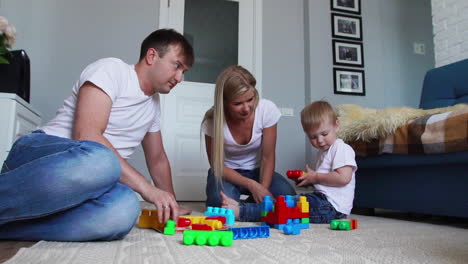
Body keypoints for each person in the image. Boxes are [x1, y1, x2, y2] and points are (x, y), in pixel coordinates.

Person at [0, 29, 194, 241]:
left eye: (184, 71)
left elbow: (157, 160)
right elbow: (88, 135)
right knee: (104, 160)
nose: (180, 78)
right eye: (177, 66)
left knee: (125, 208)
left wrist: (170, 203)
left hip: (88, 181)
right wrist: (148, 189)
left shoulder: (153, 106)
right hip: (38, 157)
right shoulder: (112, 70)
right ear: (151, 56)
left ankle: (7, 230)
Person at [222, 100, 357, 223]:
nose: (320, 140)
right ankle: (242, 207)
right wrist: (309, 180)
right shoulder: (324, 152)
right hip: (323, 201)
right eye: (313, 137)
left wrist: (315, 177)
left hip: (332, 208)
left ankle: (241, 211)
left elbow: (343, 178)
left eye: (324, 134)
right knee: (286, 203)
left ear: (337, 126)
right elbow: (327, 182)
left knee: (284, 208)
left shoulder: (342, 148)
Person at [201, 65, 296, 212]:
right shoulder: (212, 121)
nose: (246, 108)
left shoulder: (267, 110)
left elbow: (268, 157)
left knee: (287, 197)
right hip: (228, 173)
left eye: (250, 99)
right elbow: (217, 166)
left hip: (258, 171)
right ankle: (243, 205)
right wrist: (252, 185)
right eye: (238, 103)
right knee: (219, 203)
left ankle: (244, 207)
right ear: (224, 102)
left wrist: (262, 190)